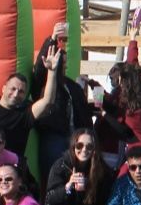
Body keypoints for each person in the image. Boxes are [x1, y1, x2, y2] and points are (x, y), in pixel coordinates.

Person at [31, 25, 94, 176]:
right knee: (54, 172)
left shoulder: (72, 86)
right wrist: (52, 39)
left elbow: (82, 110)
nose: (63, 65)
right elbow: (40, 68)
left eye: (65, 62)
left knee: (77, 174)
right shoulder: (47, 83)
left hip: (75, 136)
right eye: (61, 62)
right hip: (54, 134)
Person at [0, 69, 50, 165]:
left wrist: (52, 71)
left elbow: (47, 100)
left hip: (5, 174)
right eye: (13, 89)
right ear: (3, 88)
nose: (16, 94)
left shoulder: (24, 116)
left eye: (21, 92)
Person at [45, 128, 115, 205]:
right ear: (73, 147)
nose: (84, 150)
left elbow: (103, 204)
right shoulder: (61, 166)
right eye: (79, 145)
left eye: (89, 147)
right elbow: (50, 198)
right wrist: (68, 187)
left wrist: (87, 188)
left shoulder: (102, 170)